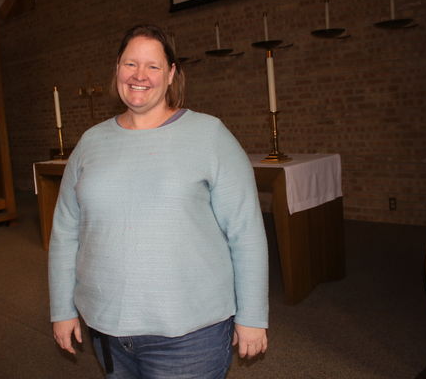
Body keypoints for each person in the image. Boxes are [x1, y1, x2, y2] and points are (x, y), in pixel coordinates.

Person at [49, 23, 269, 379]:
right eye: (130, 64)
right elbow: (65, 232)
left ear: (170, 74)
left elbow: (246, 232)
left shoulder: (209, 135)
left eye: (153, 66)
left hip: (190, 336)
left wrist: (252, 316)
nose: (140, 75)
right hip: (106, 328)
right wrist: (62, 308)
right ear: (117, 69)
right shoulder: (90, 142)